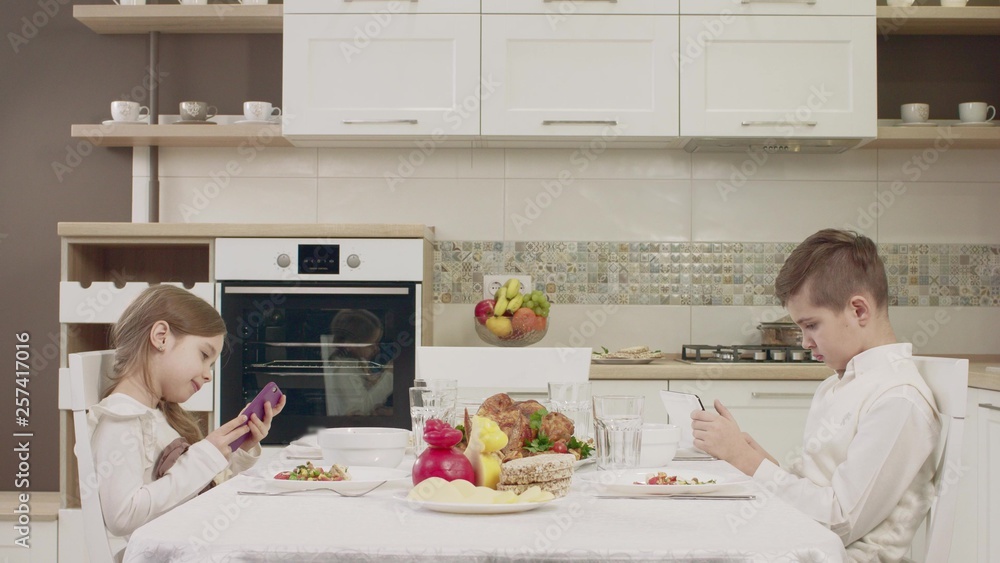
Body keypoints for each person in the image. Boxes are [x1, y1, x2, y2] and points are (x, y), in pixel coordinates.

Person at [691, 229, 941, 562]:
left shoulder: (898, 399)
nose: (805, 342)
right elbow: (817, 487)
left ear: (858, 311)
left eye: (811, 325)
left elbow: (841, 520)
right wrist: (758, 461)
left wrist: (748, 462)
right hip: (806, 544)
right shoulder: (838, 385)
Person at [90, 285, 285, 558]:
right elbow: (122, 516)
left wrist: (238, 449)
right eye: (204, 356)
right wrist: (204, 457)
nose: (208, 375)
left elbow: (196, 492)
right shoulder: (121, 420)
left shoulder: (159, 416)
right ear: (161, 337)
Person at [323, 309, 393, 416]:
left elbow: (363, 394)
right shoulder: (344, 370)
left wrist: (376, 380)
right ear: (351, 344)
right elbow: (362, 407)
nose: (377, 348)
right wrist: (389, 376)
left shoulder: (357, 362)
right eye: (371, 345)